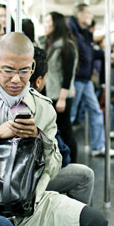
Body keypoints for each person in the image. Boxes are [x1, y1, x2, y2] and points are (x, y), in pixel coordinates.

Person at [0, 32, 107, 226]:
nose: (16, 79)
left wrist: (39, 138)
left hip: (29, 202)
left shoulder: (42, 107)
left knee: (95, 222)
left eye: (24, 71)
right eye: (8, 70)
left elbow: (54, 168)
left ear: (33, 68)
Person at [30, 46, 94, 205]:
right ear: (39, 81)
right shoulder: (42, 107)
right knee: (85, 175)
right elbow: (58, 157)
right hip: (30, 179)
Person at [68, 3, 114, 156]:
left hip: (86, 79)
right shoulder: (72, 32)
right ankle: (59, 147)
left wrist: (105, 55)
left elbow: (89, 52)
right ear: (79, 15)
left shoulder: (85, 33)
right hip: (75, 79)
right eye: (88, 13)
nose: (91, 16)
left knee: (95, 111)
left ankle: (98, 147)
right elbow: (82, 53)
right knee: (70, 115)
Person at [38, 12, 79, 162]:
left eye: (48, 21)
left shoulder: (67, 46)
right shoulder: (52, 45)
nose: (45, 24)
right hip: (52, 95)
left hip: (62, 96)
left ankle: (73, 163)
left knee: (66, 131)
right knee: (58, 130)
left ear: (56, 24)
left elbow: (68, 74)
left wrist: (62, 98)